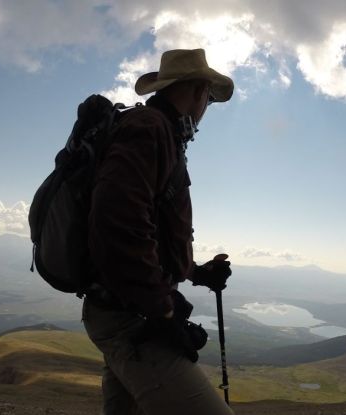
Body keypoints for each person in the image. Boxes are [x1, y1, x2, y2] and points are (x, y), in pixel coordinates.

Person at [82, 49, 235, 415]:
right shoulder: (150, 129)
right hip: (132, 319)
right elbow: (118, 224)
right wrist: (165, 313)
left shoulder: (160, 132)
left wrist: (195, 272)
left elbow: (148, 229)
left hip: (124, 309)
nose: (207, 106)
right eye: (209, 97)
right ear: (199, 90)